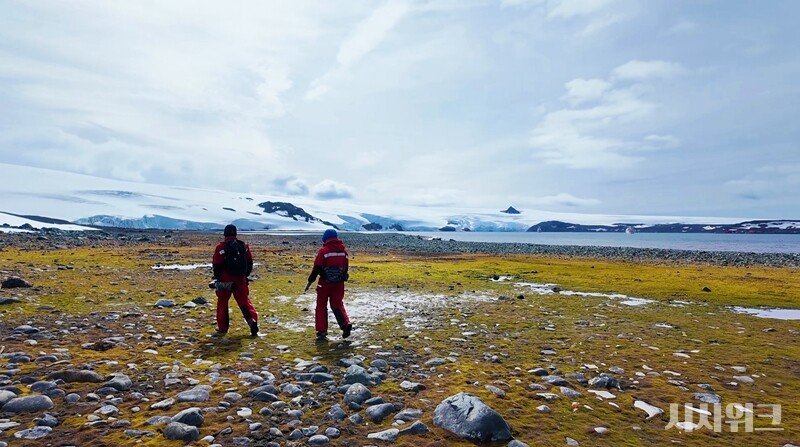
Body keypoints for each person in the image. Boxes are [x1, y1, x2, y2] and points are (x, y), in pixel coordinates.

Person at [212, 224, 259, 336]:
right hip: (240, 279)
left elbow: (217, 265)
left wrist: (218, 278)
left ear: (225, 234)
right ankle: (252, 321)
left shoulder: (220, 247)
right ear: (235, 233)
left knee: (222, 303)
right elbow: (249, 262)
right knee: (244, 302)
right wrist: (244, 275)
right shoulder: (243, 246)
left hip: (225, 279)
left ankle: (223, 327)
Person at [305, 229, 352, 340]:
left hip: (325, 283)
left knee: (321, 306)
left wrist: (310, 282)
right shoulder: (343, 251)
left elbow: (317, 267)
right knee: (337, 304)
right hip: (339, 283)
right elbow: (345, 268)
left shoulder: (324, 251)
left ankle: (322, 331)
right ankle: (345, 324)